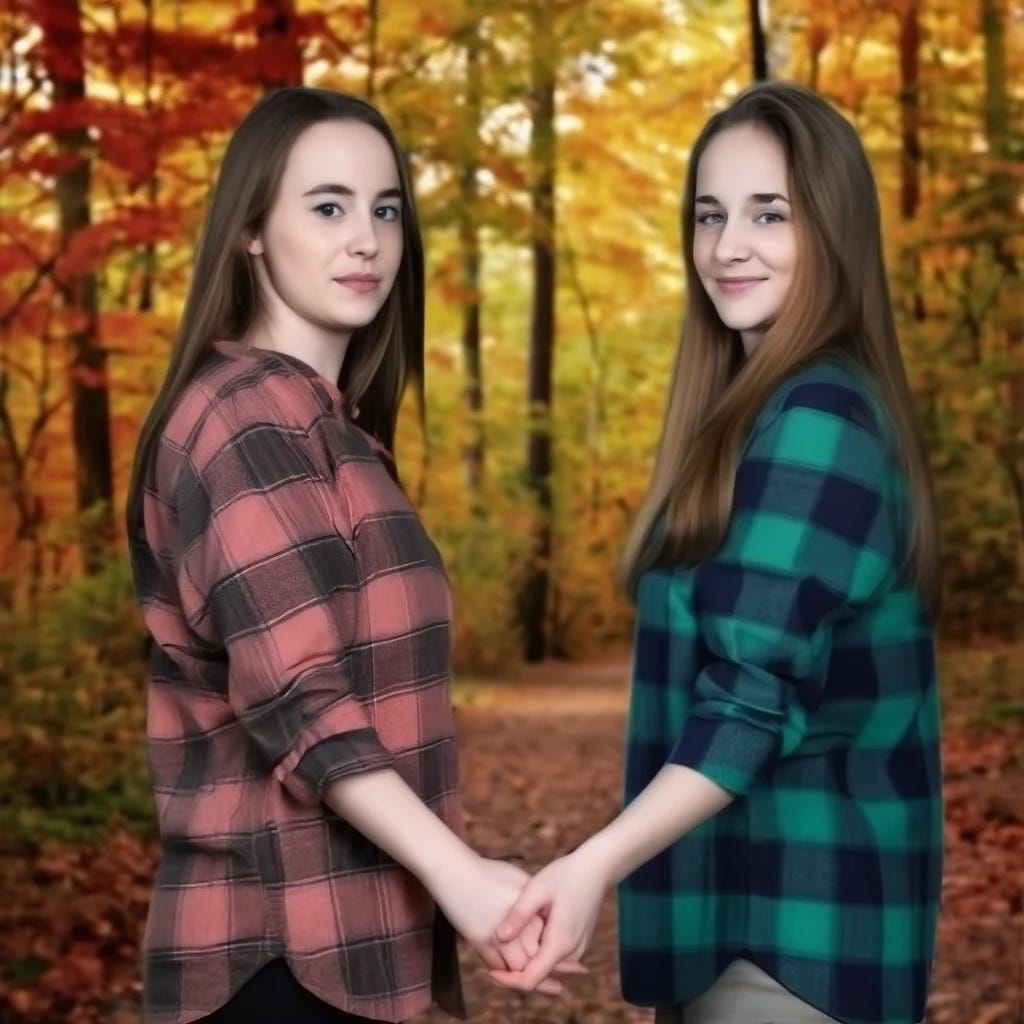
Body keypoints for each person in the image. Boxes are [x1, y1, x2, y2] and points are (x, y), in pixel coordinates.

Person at [493, 81, 943, 1024]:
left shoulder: (819, 419)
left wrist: (591, 866)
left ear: (834, 229)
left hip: (793, 932)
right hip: (742, 921)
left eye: (769, 214)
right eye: (710, 214)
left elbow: (750, 695)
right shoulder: (761, 418)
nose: (727, 246)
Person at [125, 87, 573, 1024]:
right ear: (251, 229)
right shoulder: (242, 419)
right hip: (278, 955)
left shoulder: (335, 431)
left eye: (385, 209)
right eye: (327, 207)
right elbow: (300, 700)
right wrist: (462, 877)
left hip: (362, 955)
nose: (365, 238)